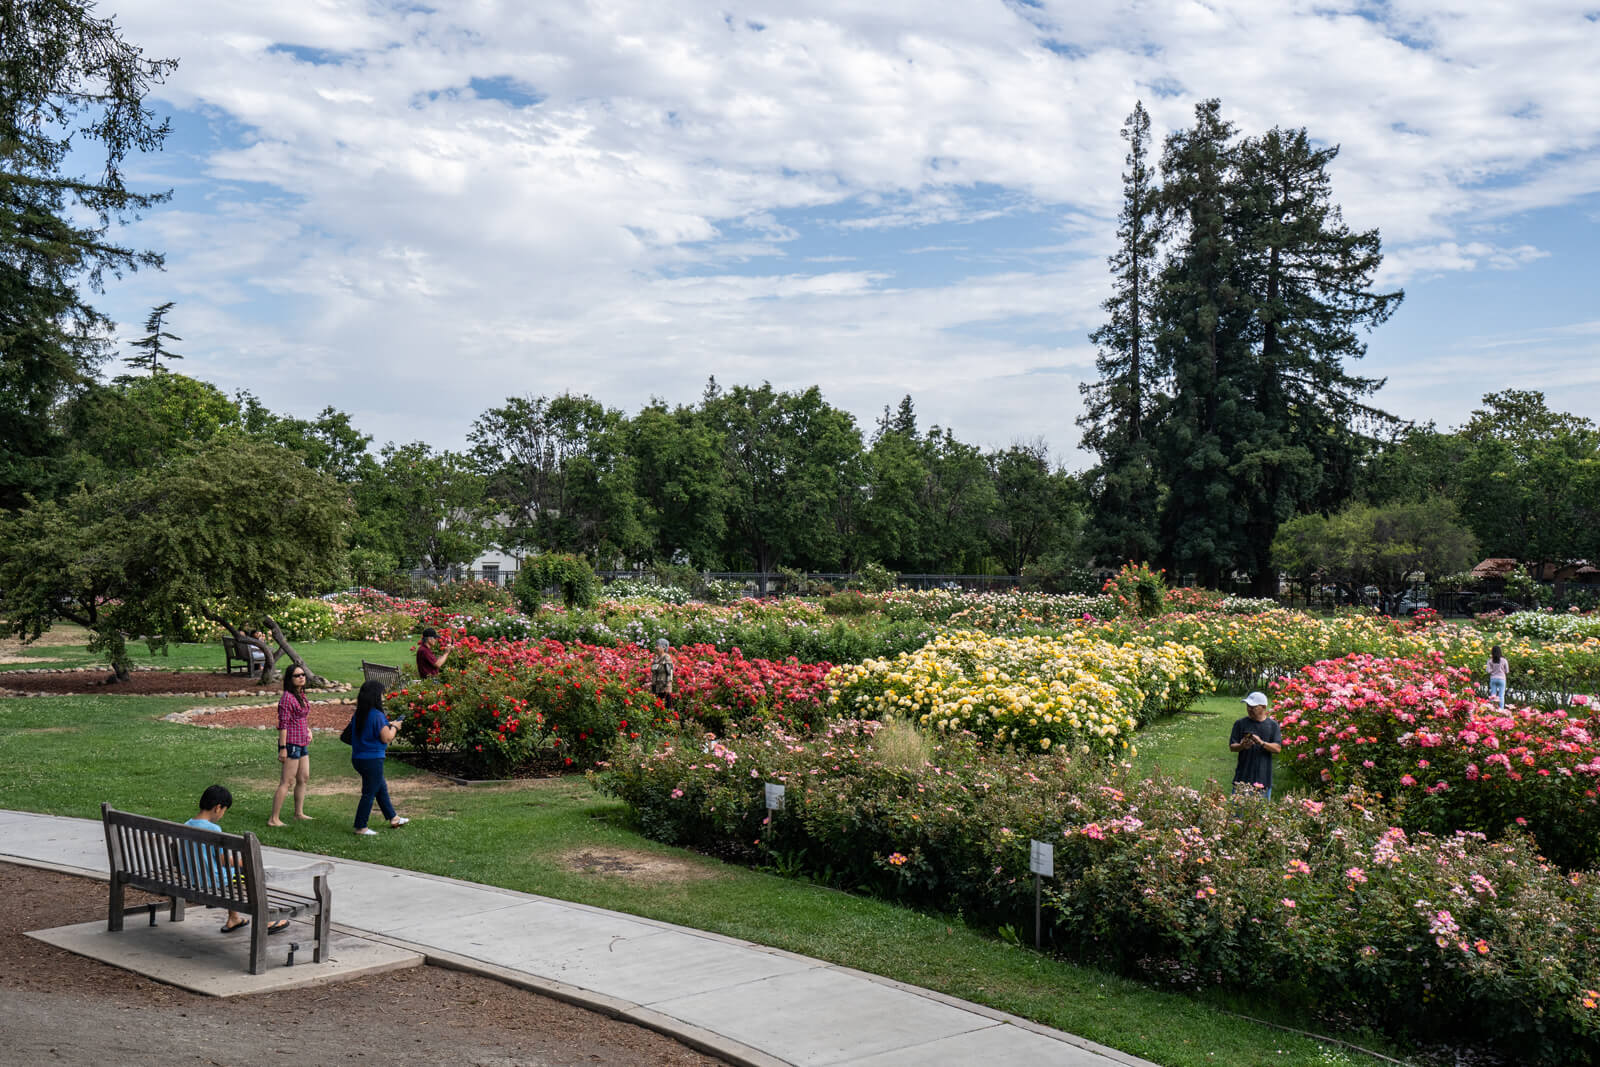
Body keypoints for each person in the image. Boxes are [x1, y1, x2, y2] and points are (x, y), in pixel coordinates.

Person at [184, 785, 288, 934]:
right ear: (218, 807)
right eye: (224, 811)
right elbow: (224, 860)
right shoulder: (213, 830)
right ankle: (268, 920)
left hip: (193, 879)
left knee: (236, 874)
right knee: (253, 873)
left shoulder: (187, 825)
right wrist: (245, 863)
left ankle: (234, 918)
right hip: (213, 882)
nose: (222, 815)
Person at [348, 679, 409, 836]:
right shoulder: (377, 715)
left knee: (380, 787)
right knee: (369, 792)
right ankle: (360, 826)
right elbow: (386, 738)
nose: (383, 697)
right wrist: (395, 726)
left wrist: (387, 724)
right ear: (375, 696)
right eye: (382, 694)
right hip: (372, 759)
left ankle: (393, 818)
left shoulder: (360, 714)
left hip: (359, 758)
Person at [267, 664, 314, 826]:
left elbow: (301, 717)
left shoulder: (300, 694)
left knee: (303, 777)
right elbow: (283, 725)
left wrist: (308, 730)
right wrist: (282, 748)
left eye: (302, 674)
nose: (301, 677)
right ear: (290, 679)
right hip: (291, 743)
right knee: (287, 782)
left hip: (302, 742)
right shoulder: (287, 698)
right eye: (297, 675)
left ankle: (298, 813)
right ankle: (274, 819)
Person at [1229, 691, 1282, 799]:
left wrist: (1261, 743)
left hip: (1263, 779)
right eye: (1248, 706)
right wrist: (1242, 746)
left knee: (1260, 814)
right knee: (1237, 813)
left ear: (1263, 707)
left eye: (1253, 707)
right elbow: (1232, 747)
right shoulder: (1240, 724)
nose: (1249, 709)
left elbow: (1277, 748)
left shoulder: (1273, 725)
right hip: (1242, 778)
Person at [649, 636, 675, 710]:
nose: (655, 647)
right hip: (656, 687)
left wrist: (669, 684)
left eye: (657, 646)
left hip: (664, 687)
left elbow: (670, 671)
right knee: (656, 707)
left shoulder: (666, 657)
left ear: (663, 647)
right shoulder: (656, 659)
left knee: (667, 707)